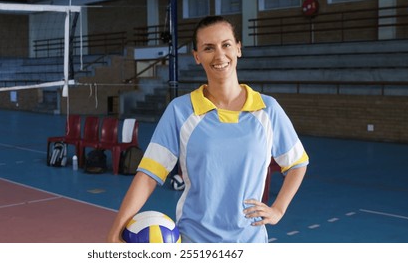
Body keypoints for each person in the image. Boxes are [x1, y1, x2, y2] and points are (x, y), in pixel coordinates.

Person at [107, 15, 309, 243]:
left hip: (251, 242)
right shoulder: (180, 111)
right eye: (209, 48)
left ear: (239, 49)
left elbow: (297, 163)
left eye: (226, 45)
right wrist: (115, 232)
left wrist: (278, 210)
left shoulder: (267, 109)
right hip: (195, 241)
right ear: (197, 56)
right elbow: (148, 176)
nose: (220, 55)